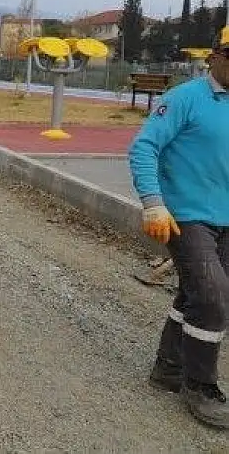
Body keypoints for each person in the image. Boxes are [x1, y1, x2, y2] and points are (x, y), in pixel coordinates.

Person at [130, 38, 229, 428]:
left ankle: (168, 367)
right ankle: (201, 385)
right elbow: (144, 147)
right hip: (184, 216)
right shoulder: (186, 98)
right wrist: (153, 202)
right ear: (215, 57)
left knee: (195, 293)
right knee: (214, 298)